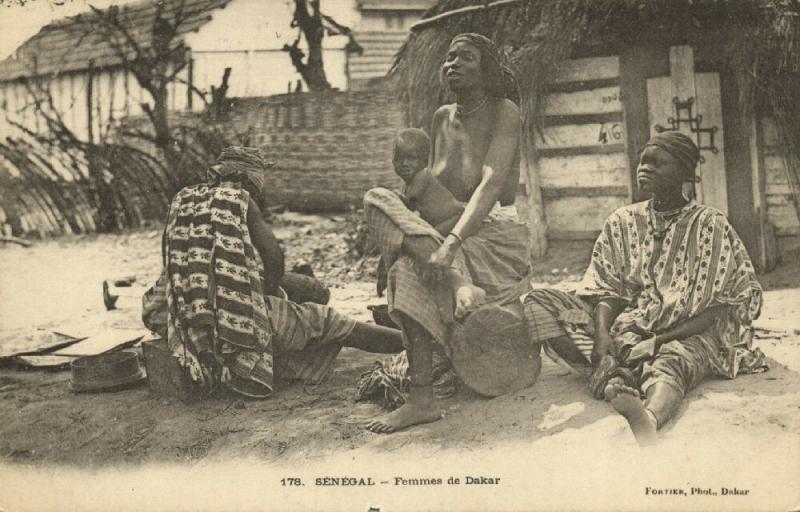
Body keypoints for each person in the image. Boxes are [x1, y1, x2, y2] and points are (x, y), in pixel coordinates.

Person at [522, 131, 765, 446]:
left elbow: (720, 305)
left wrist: (658, 340)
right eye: (642, 162)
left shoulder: (711, 225)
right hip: (626, 326)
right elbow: (605, 288)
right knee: (539, 302)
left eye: (657, 163)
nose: (644, 168)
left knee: (674, 360)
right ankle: (615, 366)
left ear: (684, 173)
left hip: (687, 332)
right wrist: (602, 334)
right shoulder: (622, 221)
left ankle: (647, 417)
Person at [363, 33, 533, 433]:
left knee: (407, 268)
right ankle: (423, 399)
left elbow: (491, 187)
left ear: (486, 70)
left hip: (488, 231)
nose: (452, 63)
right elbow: (424, 189)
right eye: (449, 56)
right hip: (439, 232)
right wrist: (396, 241)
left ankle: (422, 396)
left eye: (466, 58)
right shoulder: (441, 118)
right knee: (377, 198)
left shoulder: (503, 111)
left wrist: (451, 242)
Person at [142, 146, 403, 399]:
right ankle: (418, 344)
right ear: (244, 179)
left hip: (168, 312)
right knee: (327, 322)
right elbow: (274, 257)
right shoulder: (240, 199)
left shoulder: (183, 197)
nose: (259, 190)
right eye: (258, 182)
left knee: (300, 293)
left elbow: (174, 263)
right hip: (225, 326)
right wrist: (270, 296)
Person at [392, 128, 465, 236]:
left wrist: (393, 197)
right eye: (399, 158)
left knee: (434, 235)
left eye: (411, 158)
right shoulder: (405, 184)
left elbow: (410, 202)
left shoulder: (422, 176)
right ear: (393, 160)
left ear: (424, 162)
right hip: (439, 219)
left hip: (453, 217)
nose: (404, 163)